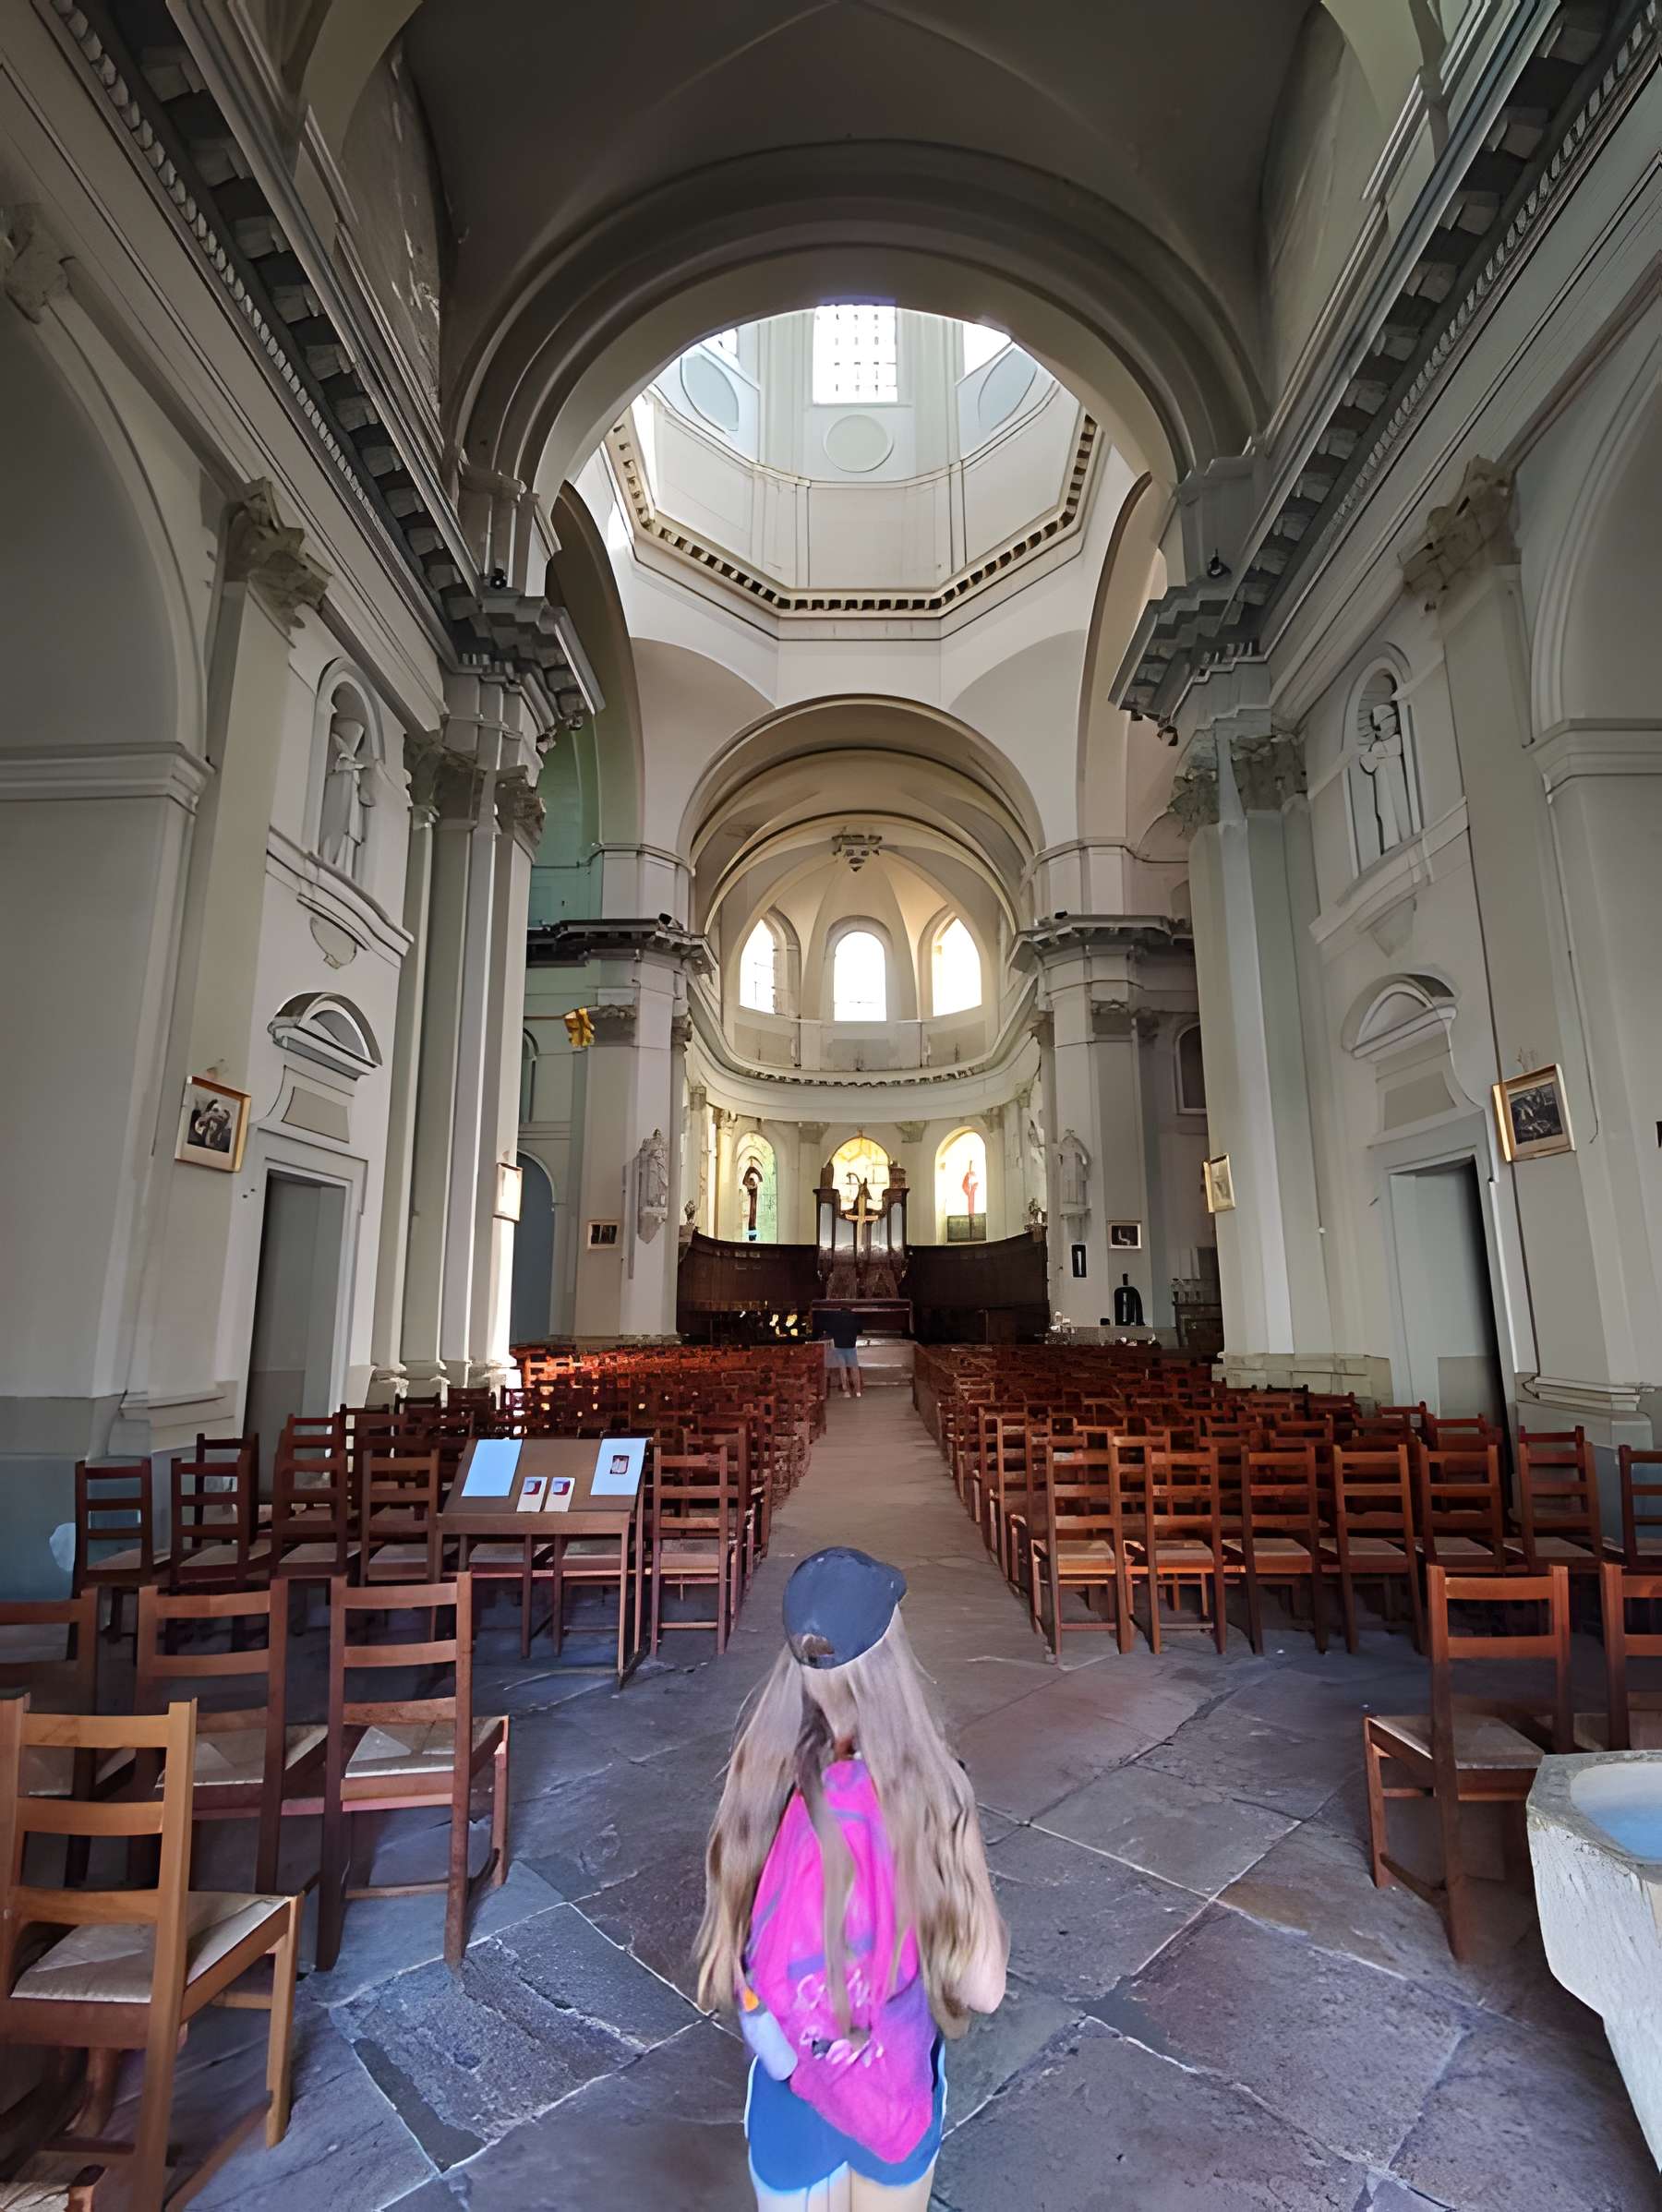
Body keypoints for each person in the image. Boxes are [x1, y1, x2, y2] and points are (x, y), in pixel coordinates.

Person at [696, 1549, 1007, 2210]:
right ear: (892, 1659)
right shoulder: (935, 1792)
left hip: (792, 2087)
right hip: (891, 2087)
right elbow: (984, 1988)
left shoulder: (759, 1780)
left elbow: (739, 1957)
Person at [822, 1306, 863, 1399]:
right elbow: (860, 1330)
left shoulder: (835, 1318)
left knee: (843, 1369)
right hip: (851, 1346)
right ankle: (858, 1391)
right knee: (854, 1368)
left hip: (839, 1347)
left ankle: (847, 1390)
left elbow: (830, 1331)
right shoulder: (854, 1317)